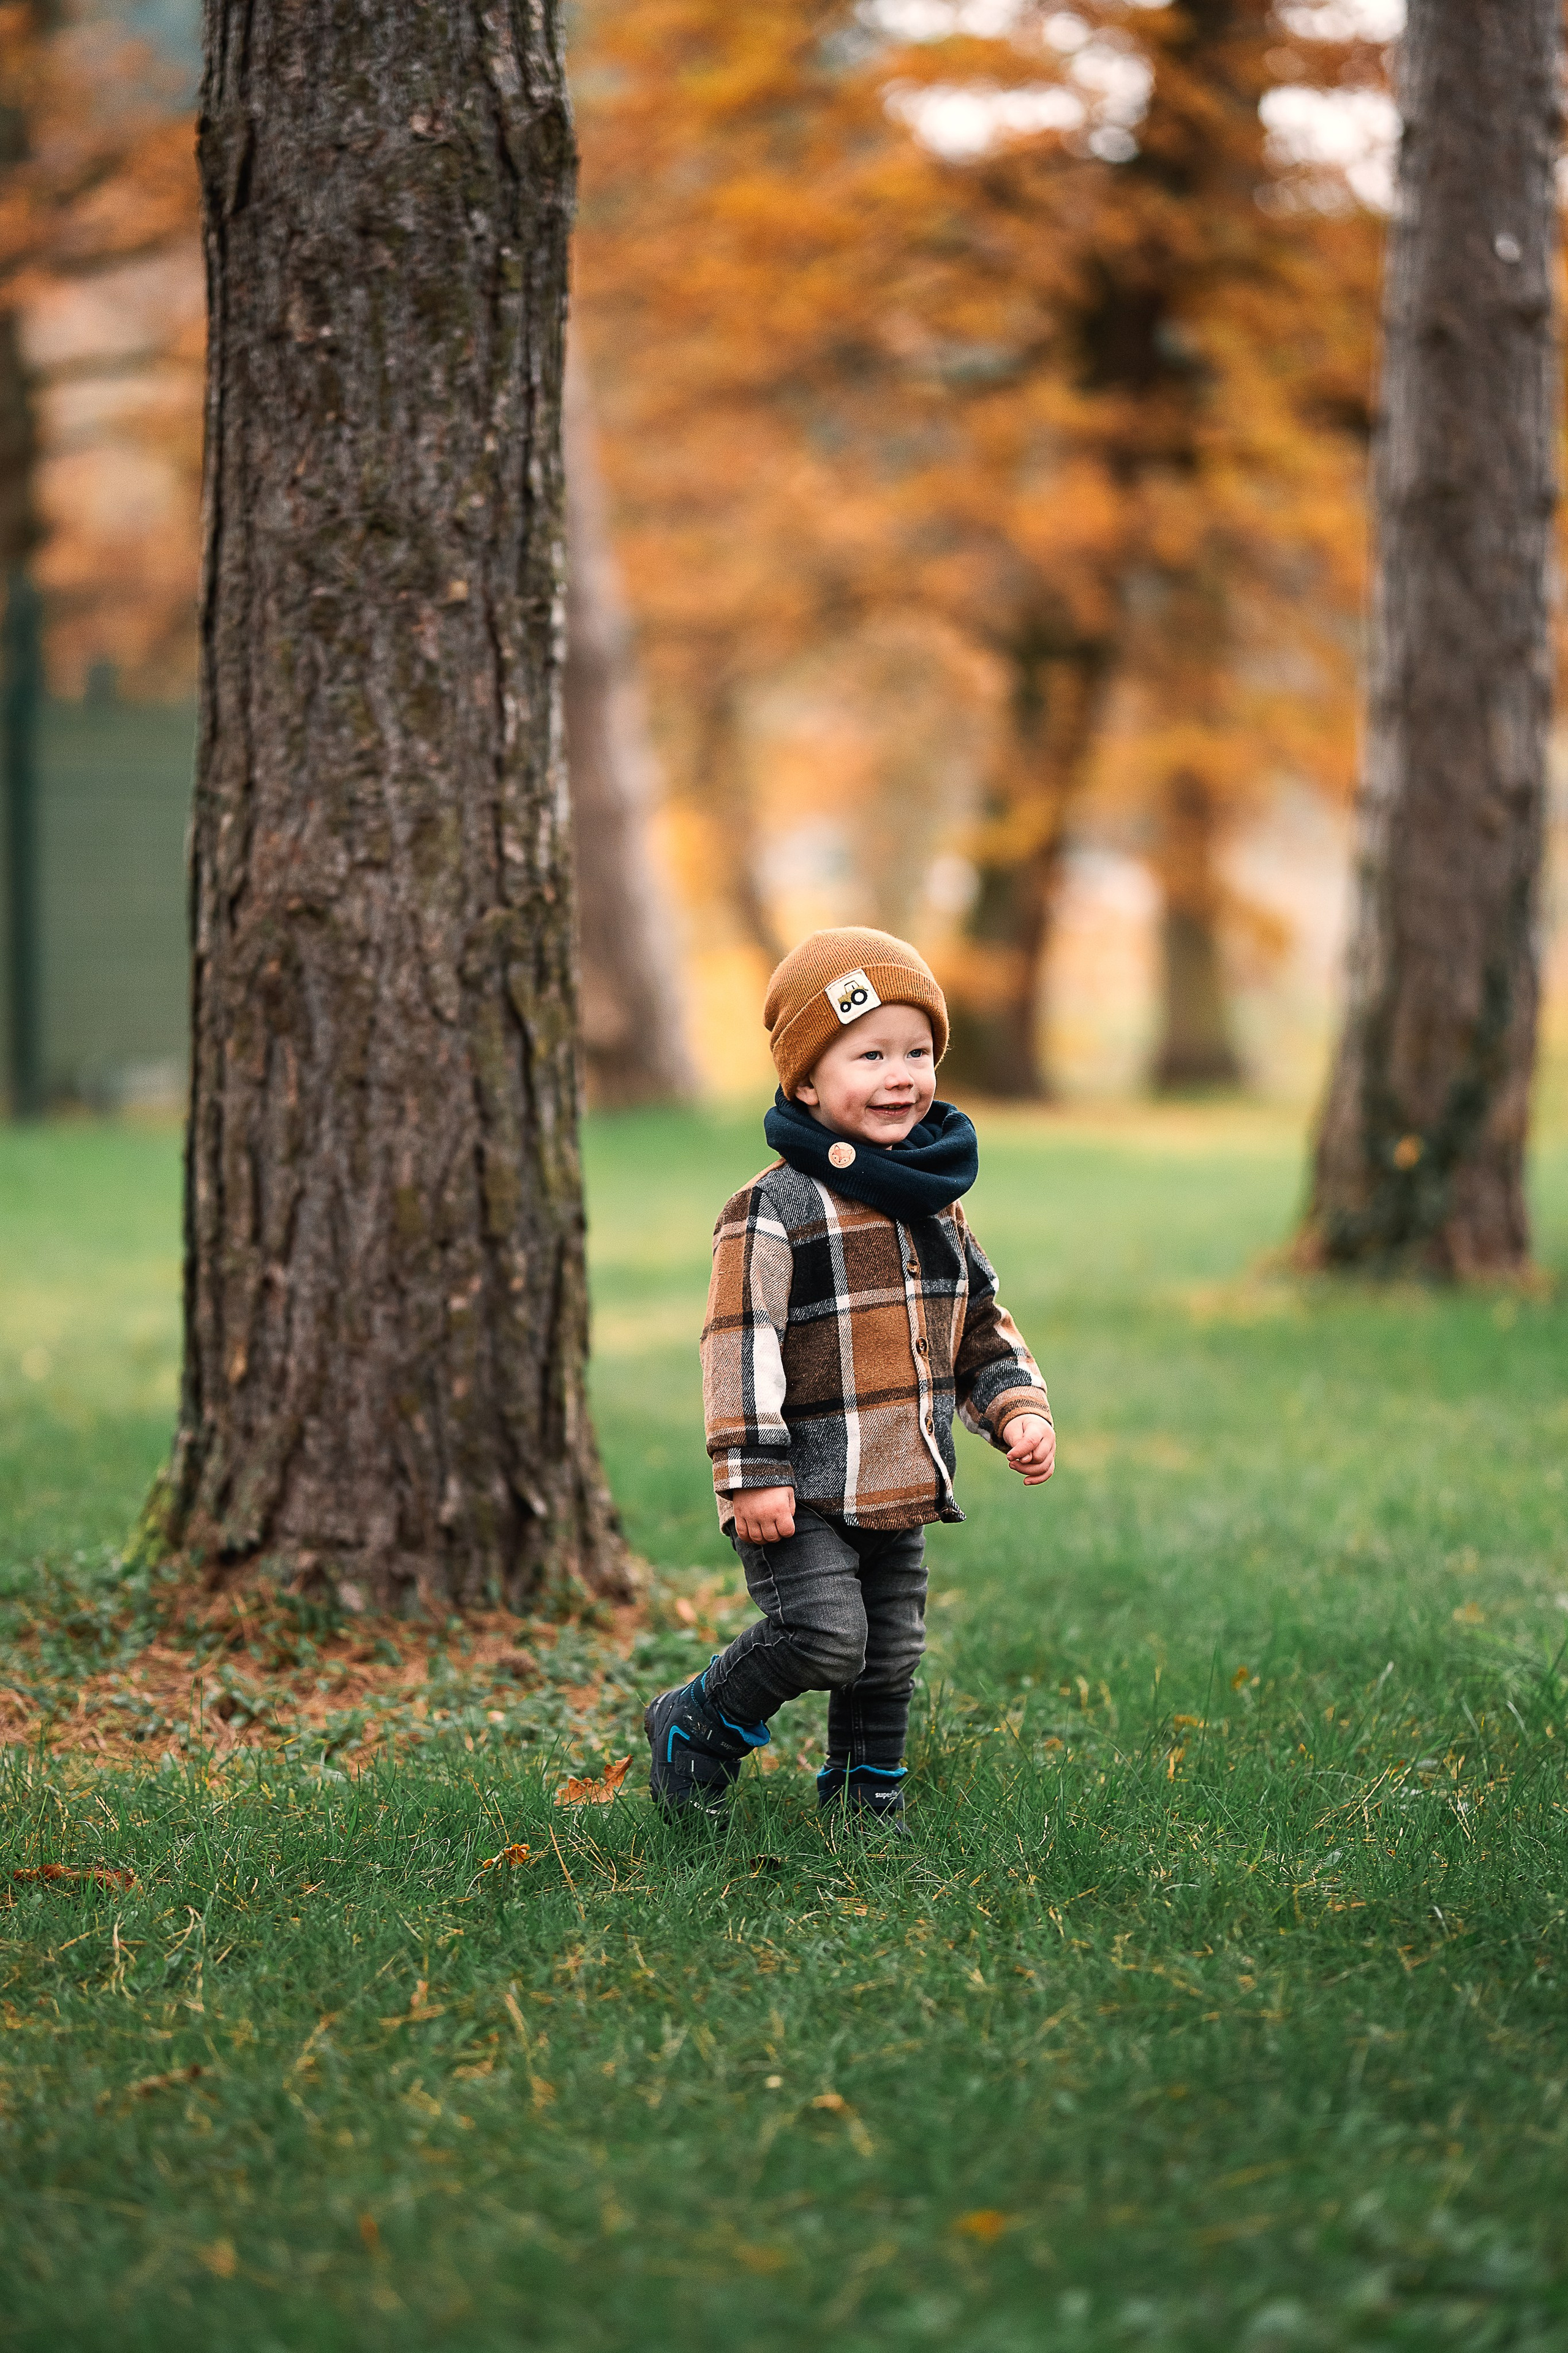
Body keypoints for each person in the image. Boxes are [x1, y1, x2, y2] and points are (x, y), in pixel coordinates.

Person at [644, 926, 1054, 1830]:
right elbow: (737, 1343)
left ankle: (866, 1797)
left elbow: (977, 1325)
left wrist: (1015, 1407)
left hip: (897, 1480)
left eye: (917, 1052)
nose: (900, 1076)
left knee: (890, 1652)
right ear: (805, 1080)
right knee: (826, 1635)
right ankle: (697, 1721)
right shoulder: (773, 1207)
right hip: (797, 1492)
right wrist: (751, 1471)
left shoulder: (934, 1201)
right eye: (870, 1055)